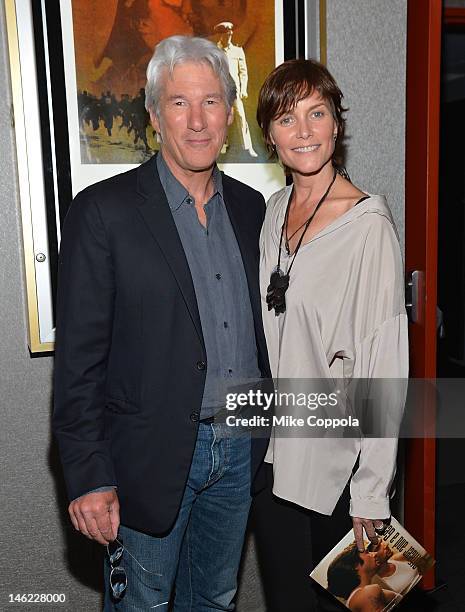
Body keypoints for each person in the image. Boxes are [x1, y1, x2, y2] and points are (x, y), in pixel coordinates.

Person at [52, 35, 271, 611]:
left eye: (211, 101)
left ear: (229, 111)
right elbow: (79, 362)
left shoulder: (255, 211)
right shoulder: (103, 213)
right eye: (179, 103)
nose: (197, 120)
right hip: (148, 461)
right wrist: (88, 475)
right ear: (153, 114)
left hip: (241, 451)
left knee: (216, 601)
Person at [251, 58, 409, 611]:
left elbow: (383, 368)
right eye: (287, 118)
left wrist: (371, 492)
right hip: (273, 465)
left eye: (316, 113)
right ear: (269, 133)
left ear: (336, 125)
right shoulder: (273, 213)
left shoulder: (370, 227)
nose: (303, 131)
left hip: (339, 470)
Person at [215, 21, 258, 157]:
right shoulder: (215, 52)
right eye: (226, 34)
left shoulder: (238, 51)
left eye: (230, 33)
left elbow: (243, 72)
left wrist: (243, 88)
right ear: (221, 35)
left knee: (240, 116)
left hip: (235, 91)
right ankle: (221, 147)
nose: (229, 36)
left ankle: (248, 147)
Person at [327, 542, 400, 612]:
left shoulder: (358, 596)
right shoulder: (367, 594)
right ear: (356, 565)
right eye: (367, 552)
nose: (374, 554)